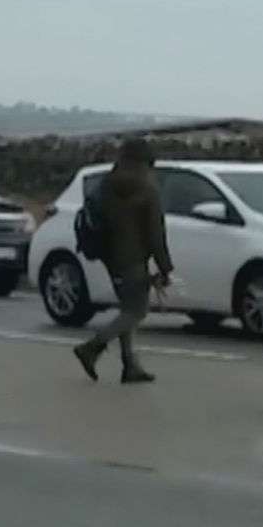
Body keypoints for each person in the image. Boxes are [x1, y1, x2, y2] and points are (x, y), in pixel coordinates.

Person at [72, 138, 174, 385]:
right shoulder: (147, 189)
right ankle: (92, 347)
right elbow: (155, 233)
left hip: (110, 254)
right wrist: (165, 267)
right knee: (136, 311)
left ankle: (130, 365)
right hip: (133, 256)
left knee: (127, 306)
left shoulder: (108, 183)